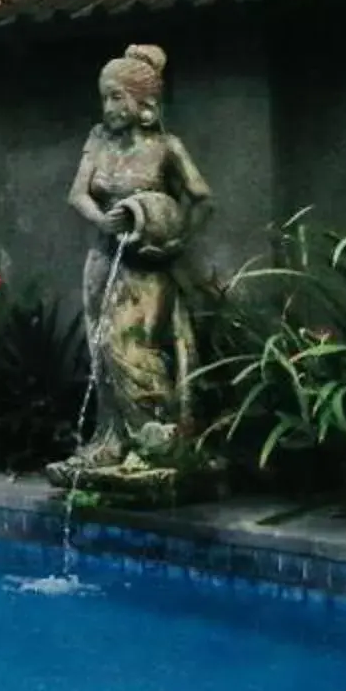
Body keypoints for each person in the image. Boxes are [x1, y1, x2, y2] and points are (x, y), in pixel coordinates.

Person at [61, 44, 211, 470]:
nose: (108, 106)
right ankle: (112, 440)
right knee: (100, 349)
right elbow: (78, 194)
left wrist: (175, 241)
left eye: (116, 97)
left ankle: (157, 437)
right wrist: (101, 221)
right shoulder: (98, 141)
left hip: (146, 263)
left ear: (144, 104)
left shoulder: (166, 147)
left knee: (130, 344)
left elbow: (201, 200)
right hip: (103, 258)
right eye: (104, 96)